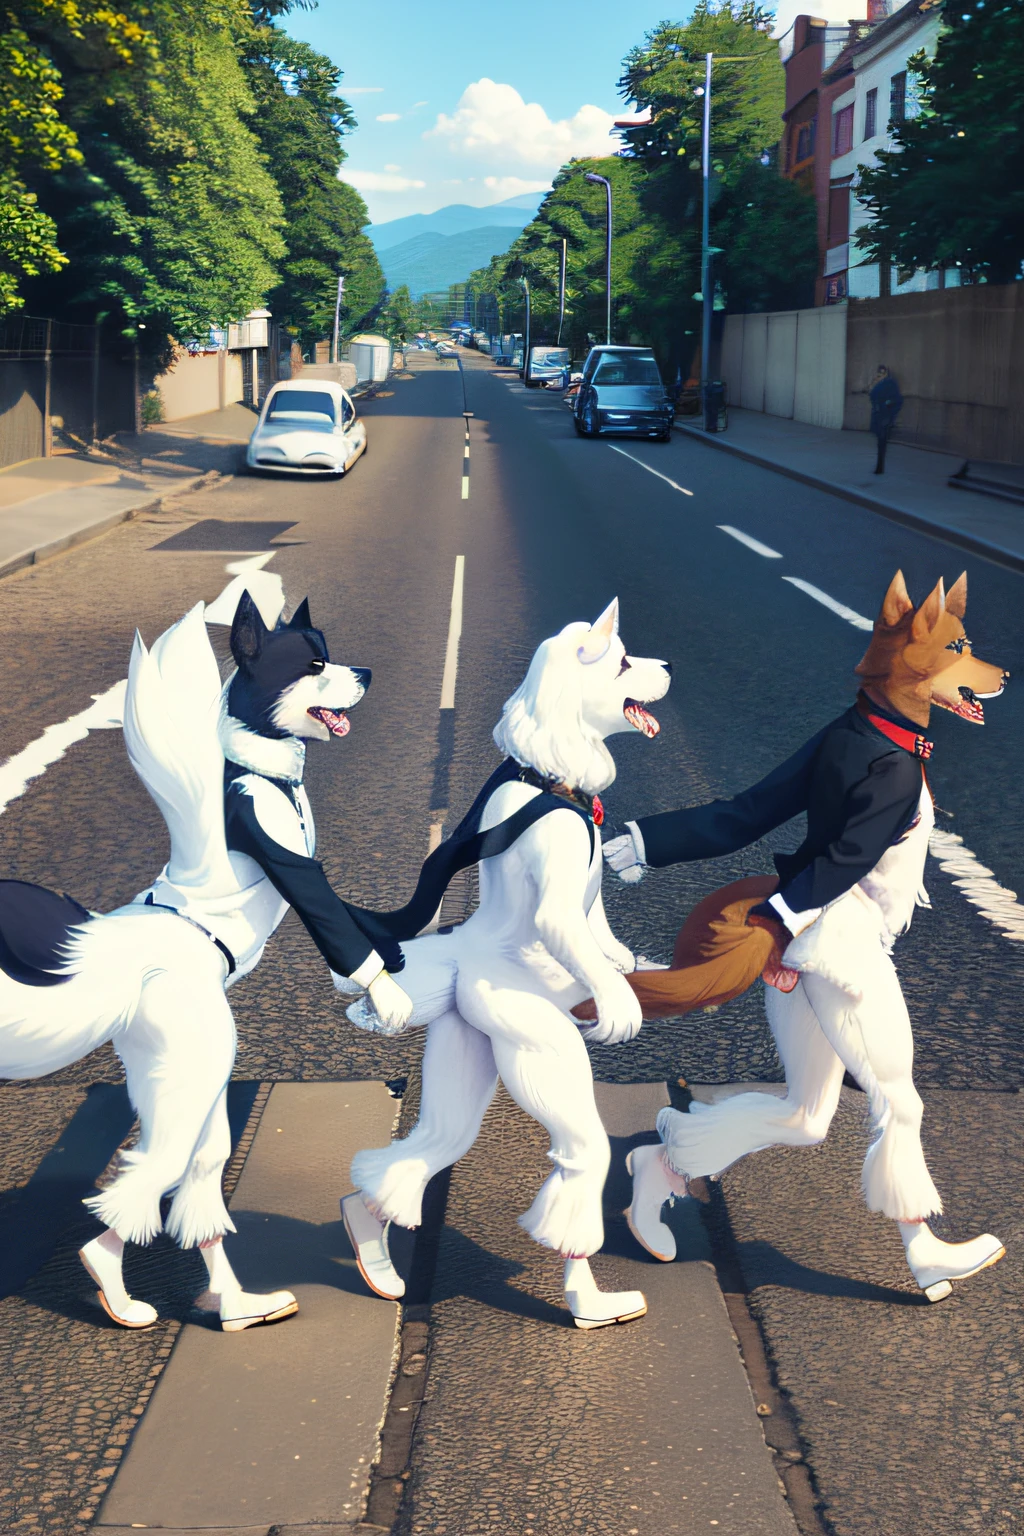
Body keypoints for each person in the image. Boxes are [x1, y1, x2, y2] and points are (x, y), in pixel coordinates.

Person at [869, 365, 902, 474]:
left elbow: (897, 400)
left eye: (882, 373)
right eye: (878, 373)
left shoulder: (891, 384)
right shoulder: (878, 383)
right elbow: (872, 396)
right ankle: (879, 467)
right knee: (880, 443)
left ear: (886, 374)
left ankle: (879, 467)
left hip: (885, 417)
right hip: (877, 417)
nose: (880, 375)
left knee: (882, 443)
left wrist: (886, 406)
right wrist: (873, 384)